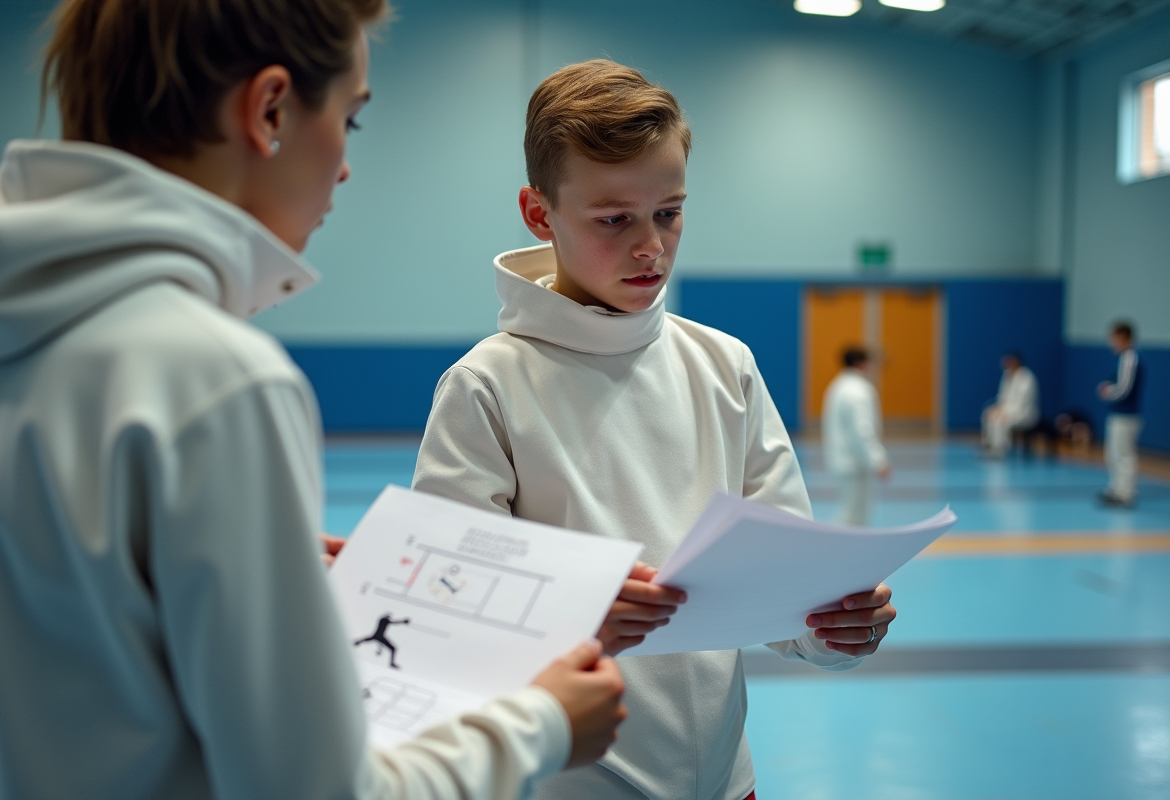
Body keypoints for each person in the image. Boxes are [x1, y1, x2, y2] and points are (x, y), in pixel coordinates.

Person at [0, 2, 628, 799]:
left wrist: (243, 564)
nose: (345, 167)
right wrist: (542, 723)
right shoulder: (214, 380)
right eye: (350, 119)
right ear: (271, 110)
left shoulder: (1, 332)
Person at [412, 60, 897, 800]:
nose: (651, 246)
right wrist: (574, 613)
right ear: (539, 213)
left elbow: (784, 586)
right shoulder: (486, 387)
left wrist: (833, 626)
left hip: (729, 782)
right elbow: (448, 617)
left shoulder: (726, 366)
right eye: (615, 219)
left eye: (669, 212)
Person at [821, 347, 890, 526]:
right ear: (861, 363)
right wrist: (878, 460)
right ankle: (832, 541)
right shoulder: (858, 390)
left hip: (843, 460)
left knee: (852, 513)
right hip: (854, 463)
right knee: (853, 516)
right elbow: (862, 429)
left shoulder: (839, 385)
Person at [1097, 321, 1145, 508]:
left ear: (1124, 337)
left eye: (1114, 338)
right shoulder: (1123, 358)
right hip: (1118, 414)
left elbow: (1124, 388)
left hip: (1127, 416)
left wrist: (1108, 391)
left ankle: (1126, 494)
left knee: (1124, 455)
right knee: (1113, 454)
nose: (1112, 342)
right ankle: (1116, 489)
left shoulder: (1129, 358)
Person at [980, 351, 1040, 458]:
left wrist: (1005, 413)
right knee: (988, 414)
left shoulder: (1026, 378)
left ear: (1015, 362)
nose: (1005, 364)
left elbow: (1022, 403)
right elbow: (1003, 398)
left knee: (1000, 421)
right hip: (1009, 411)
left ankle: (999, 450)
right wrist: (997, 408)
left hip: (1025, 414)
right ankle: (989, 446)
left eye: (1008, 361)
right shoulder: (1007, 375)